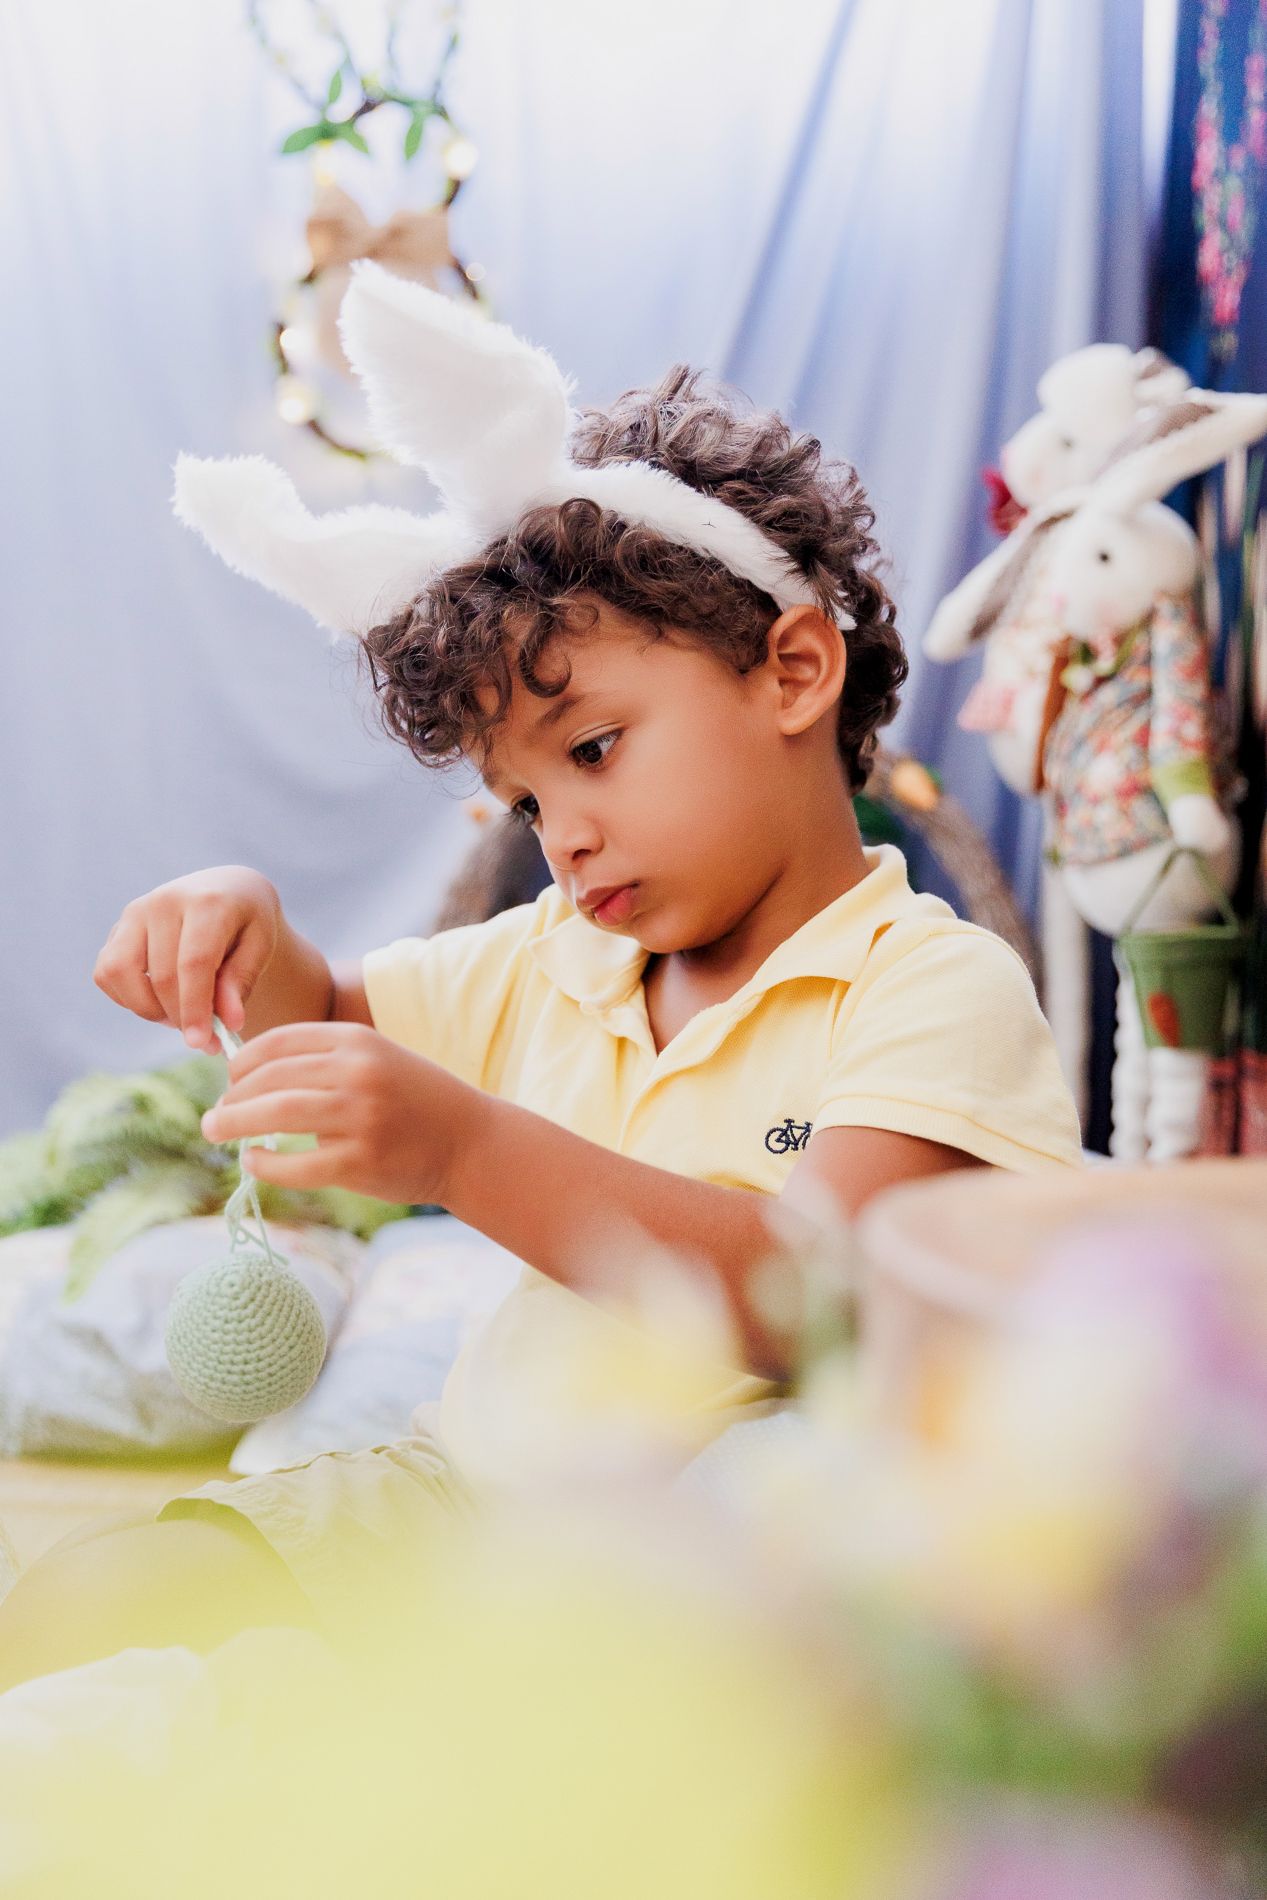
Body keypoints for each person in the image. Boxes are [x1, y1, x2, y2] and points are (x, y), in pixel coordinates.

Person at [0, 301, 1082, 1684]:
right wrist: (244, 927)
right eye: (522, 796)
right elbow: (319, 1019)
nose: (559, 835)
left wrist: (466, 1150)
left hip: (728, 1537)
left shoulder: (930, 983)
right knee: (88, 1598)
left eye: (595, 749)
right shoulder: (556, 957)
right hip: (470, 1493)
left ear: (794, 671)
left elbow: (818, 1297)